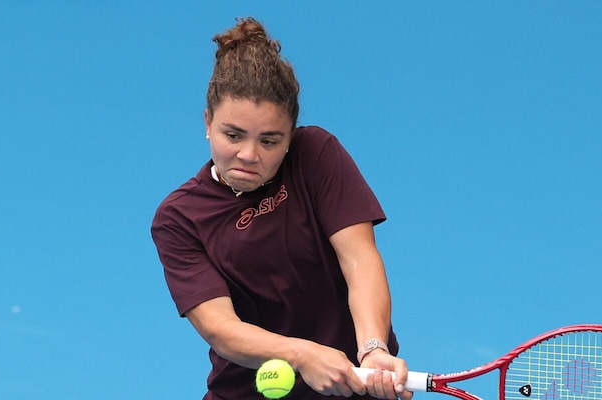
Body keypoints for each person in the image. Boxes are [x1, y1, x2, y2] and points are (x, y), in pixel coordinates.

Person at [151, 17, 412, 400]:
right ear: (208, 122)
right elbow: (220, 327)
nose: (248, 155)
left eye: (269, 141)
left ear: (290, 135)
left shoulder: (316, 155)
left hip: (355, 387)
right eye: (233, 135)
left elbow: (359, 259)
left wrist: (373, 348)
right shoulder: (179, 218)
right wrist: (302, 355)